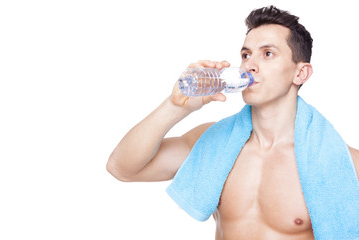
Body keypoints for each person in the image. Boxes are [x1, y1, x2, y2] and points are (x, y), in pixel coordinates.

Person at [107, 5, 359, 240]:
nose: (250, 65)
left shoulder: (345, 165)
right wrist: (175, 106)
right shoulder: (212, 142)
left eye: (268, 53)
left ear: (300, 73)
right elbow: (122, 168)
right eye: (246, 54)